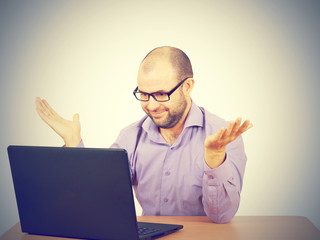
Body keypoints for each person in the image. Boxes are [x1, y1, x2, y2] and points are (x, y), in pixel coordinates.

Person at [35, 46, 253, 224]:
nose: (151, 105)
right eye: (143, 94)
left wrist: (214, 159)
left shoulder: (223, 136)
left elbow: (221, 216)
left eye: (160, 94)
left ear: (188, 86)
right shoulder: (130, 138)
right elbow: (99, 199)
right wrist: (74, 144)